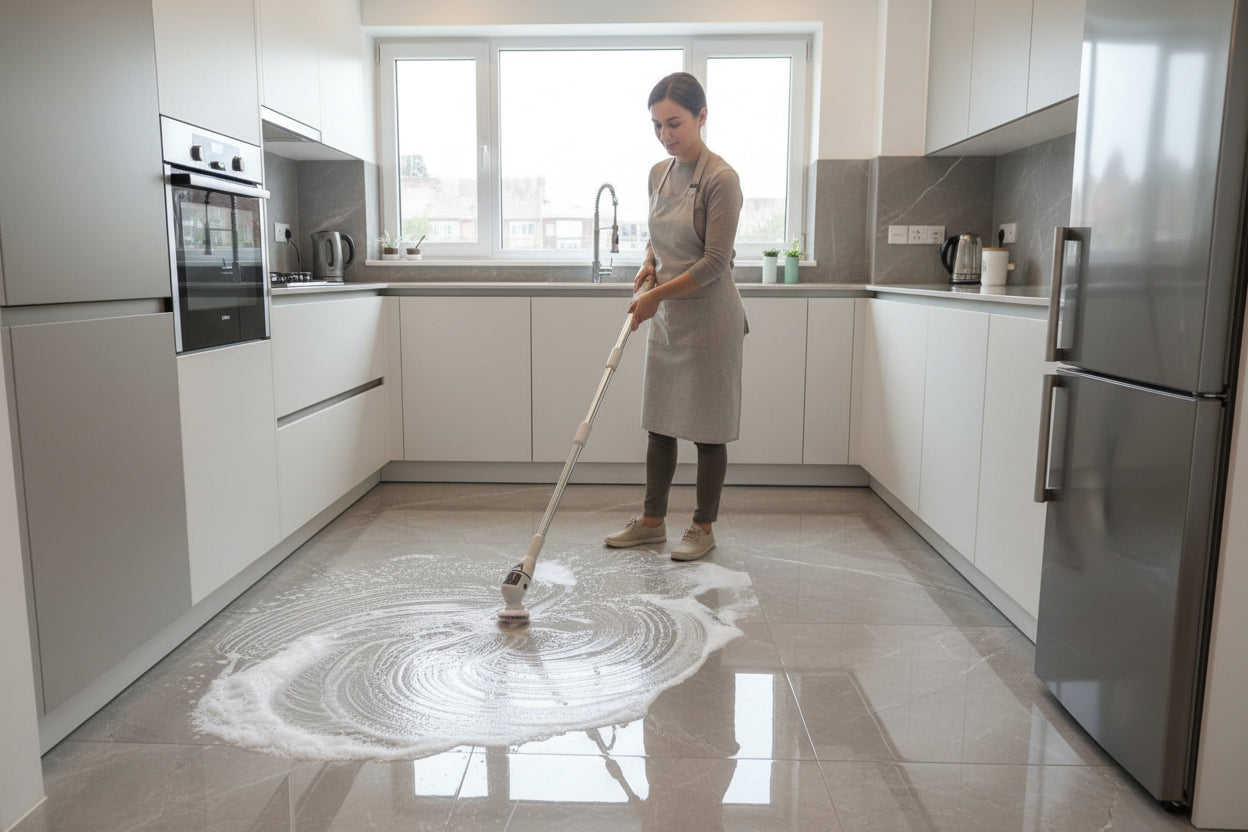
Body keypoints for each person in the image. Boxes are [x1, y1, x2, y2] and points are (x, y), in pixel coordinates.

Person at [605, 71, 747, 562]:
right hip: (669, 315)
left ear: (702, 117)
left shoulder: (722, 179)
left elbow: (715, 262)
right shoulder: (657, 173)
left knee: (708, 429)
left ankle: (702, 527)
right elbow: (659, 237)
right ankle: (651, 522)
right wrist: (648, 262)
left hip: (710, 318)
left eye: (675, 123)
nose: (666, 135)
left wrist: (656, 295)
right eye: (657, 126)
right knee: (660, 424)